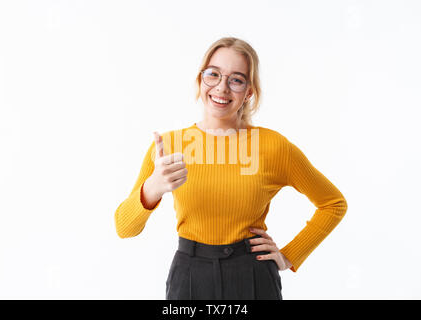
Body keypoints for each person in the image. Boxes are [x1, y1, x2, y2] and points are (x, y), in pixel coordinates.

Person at [114, 37, 348, 300]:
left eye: (236, 79)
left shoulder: (273, 147)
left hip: (253, 276)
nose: (222, 88)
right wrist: (153, 188)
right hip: (190, 278)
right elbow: (125, 228)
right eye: (213, 75)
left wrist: (288, 256)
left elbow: (333, 204)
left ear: (249, 92)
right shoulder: (168, 146)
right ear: (200, 80)